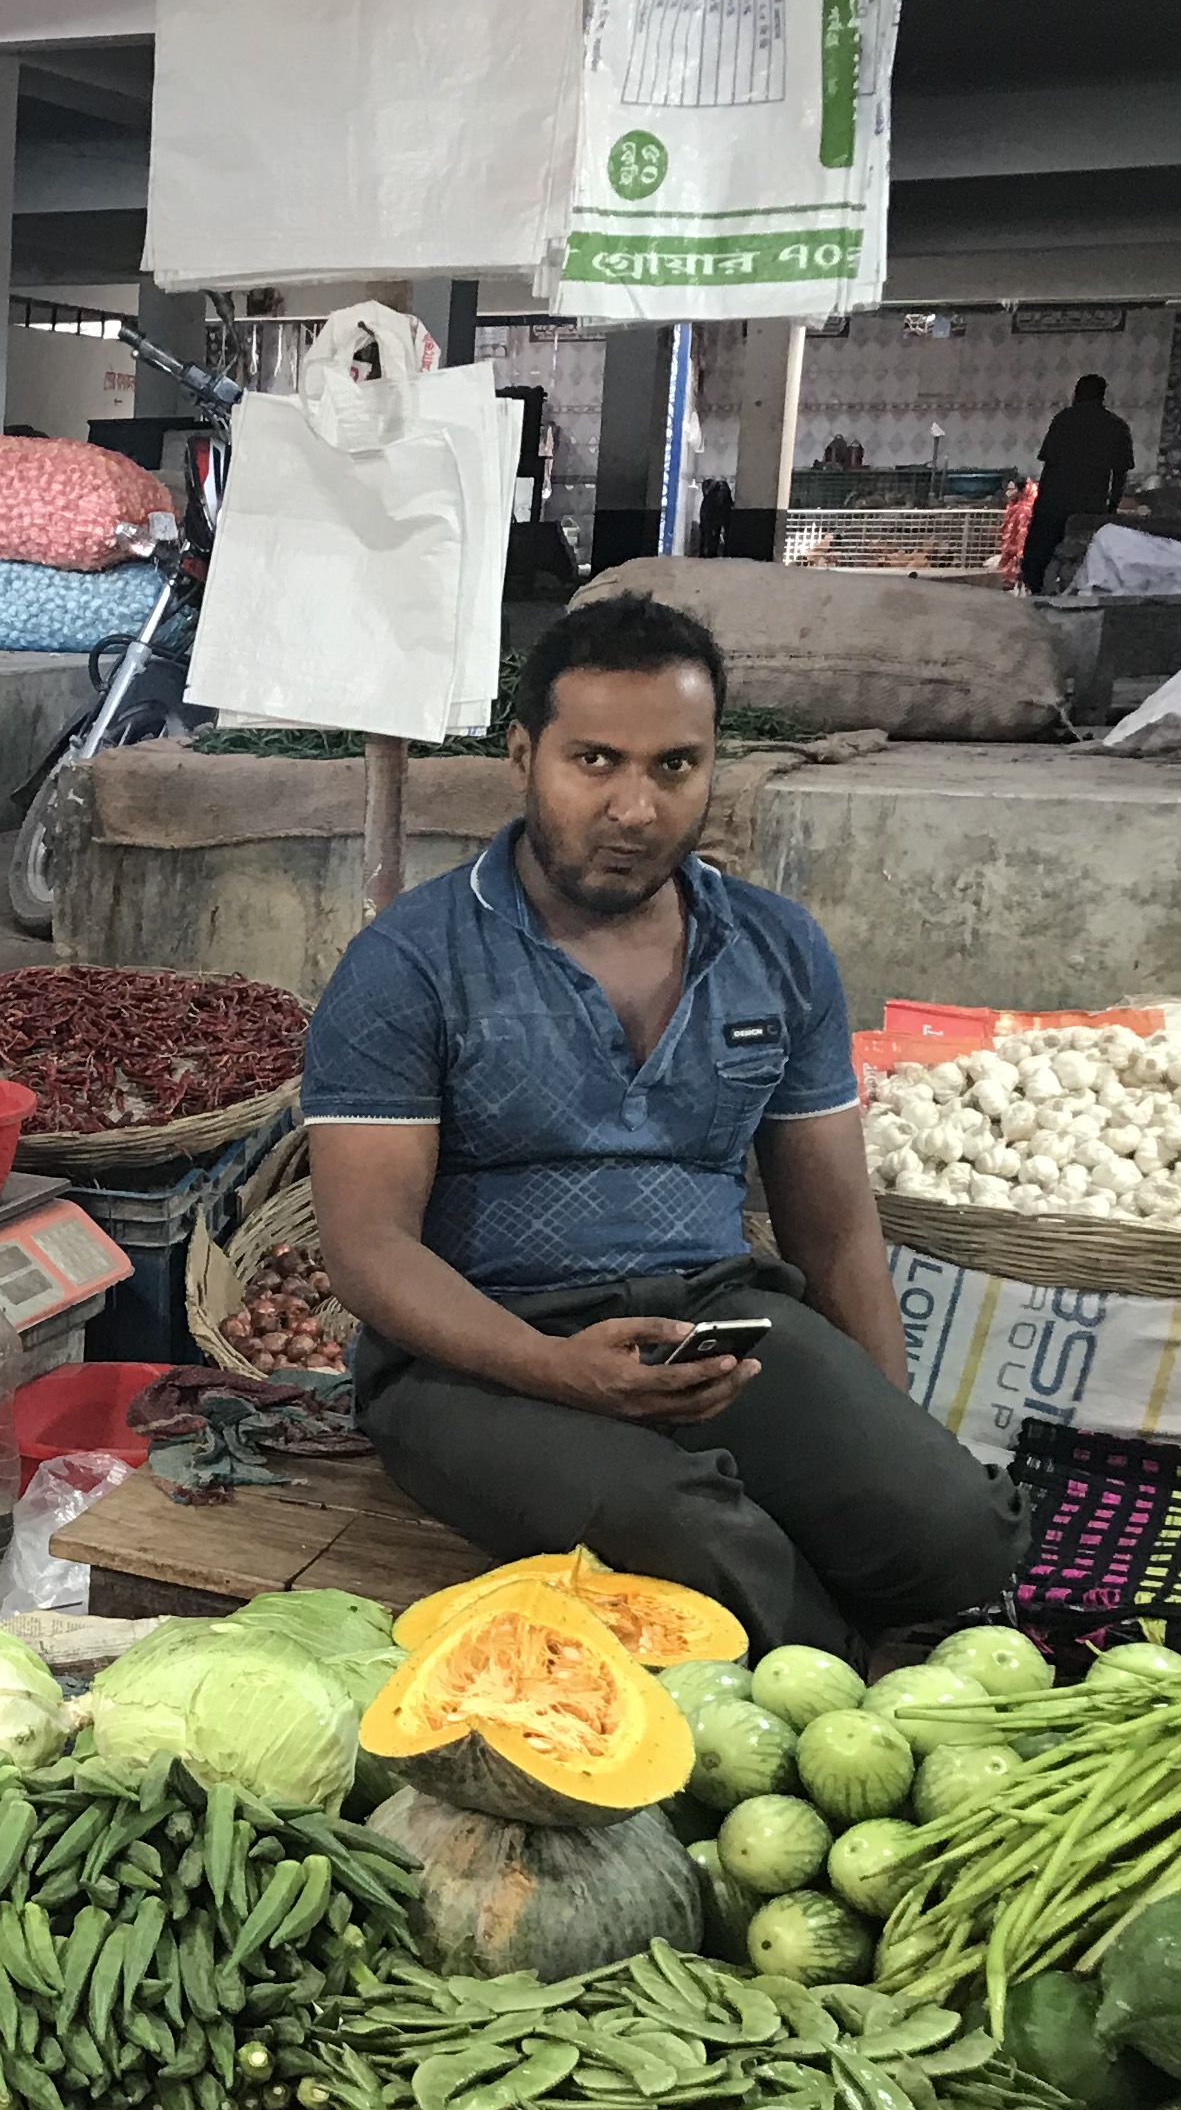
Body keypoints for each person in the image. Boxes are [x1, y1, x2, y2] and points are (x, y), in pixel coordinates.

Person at [299, 592, 1018, 1659]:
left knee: (957, 1534)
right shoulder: (413, 963)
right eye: (595, 762)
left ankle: (859, 1625)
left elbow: (832, 1228)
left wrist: (885, 1439)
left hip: (716, 1325)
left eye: (674, 767)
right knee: (702, 1543)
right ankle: (848, 1701)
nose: (635, 807)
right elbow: (366, 1250)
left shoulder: (775, 949)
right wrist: (558, 1369)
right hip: (476, 1362)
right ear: (522, 755)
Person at [1021, 371, 1135, 593]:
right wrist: (1110, 509)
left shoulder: (1063, 420)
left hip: (1053, 505)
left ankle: (1037, 599)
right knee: (1083, 564)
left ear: (1077, 394)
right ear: (1102, 396)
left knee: (1037, 559)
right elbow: (1120, 474)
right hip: (1089, 508)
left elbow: (1049, 464)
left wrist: (1041, 502)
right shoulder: (1116, 426)